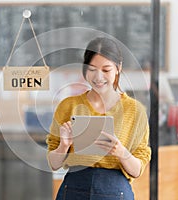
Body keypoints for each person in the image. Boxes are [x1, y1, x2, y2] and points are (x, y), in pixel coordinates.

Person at [46, 37, 151, 200]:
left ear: (118, 68)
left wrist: (121, 152)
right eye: (92, 69)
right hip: (73, 191)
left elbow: (137, 170)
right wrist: (63, 145)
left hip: (116, 192)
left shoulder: (135, 111)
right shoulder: (68, 106)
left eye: (106, 70)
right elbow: (54, 163)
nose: (98, 76)